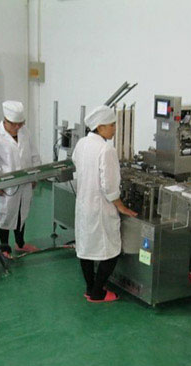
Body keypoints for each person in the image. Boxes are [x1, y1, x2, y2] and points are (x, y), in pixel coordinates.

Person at [72, 105, 137, 303]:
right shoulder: (106, 149)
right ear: (100, 127)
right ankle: (98, 292)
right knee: (110, 251)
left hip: (84, 204)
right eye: (112, 125)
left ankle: (90, 288)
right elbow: (109, 186)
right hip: (101, 207)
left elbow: (76, 163)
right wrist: (121, 206)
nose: (115, 129)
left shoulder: (82, 143)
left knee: (85, 248)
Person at [0, 101, 41, 254]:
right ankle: (4, 248)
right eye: (14, 124)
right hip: (6, 186)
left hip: (25, 182)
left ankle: (20, 244)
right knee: (5, 215)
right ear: (6, 120)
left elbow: (34, 154)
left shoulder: (25, 132)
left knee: (22, 212)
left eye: (20, 124)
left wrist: (36, 175)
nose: (18, 127)